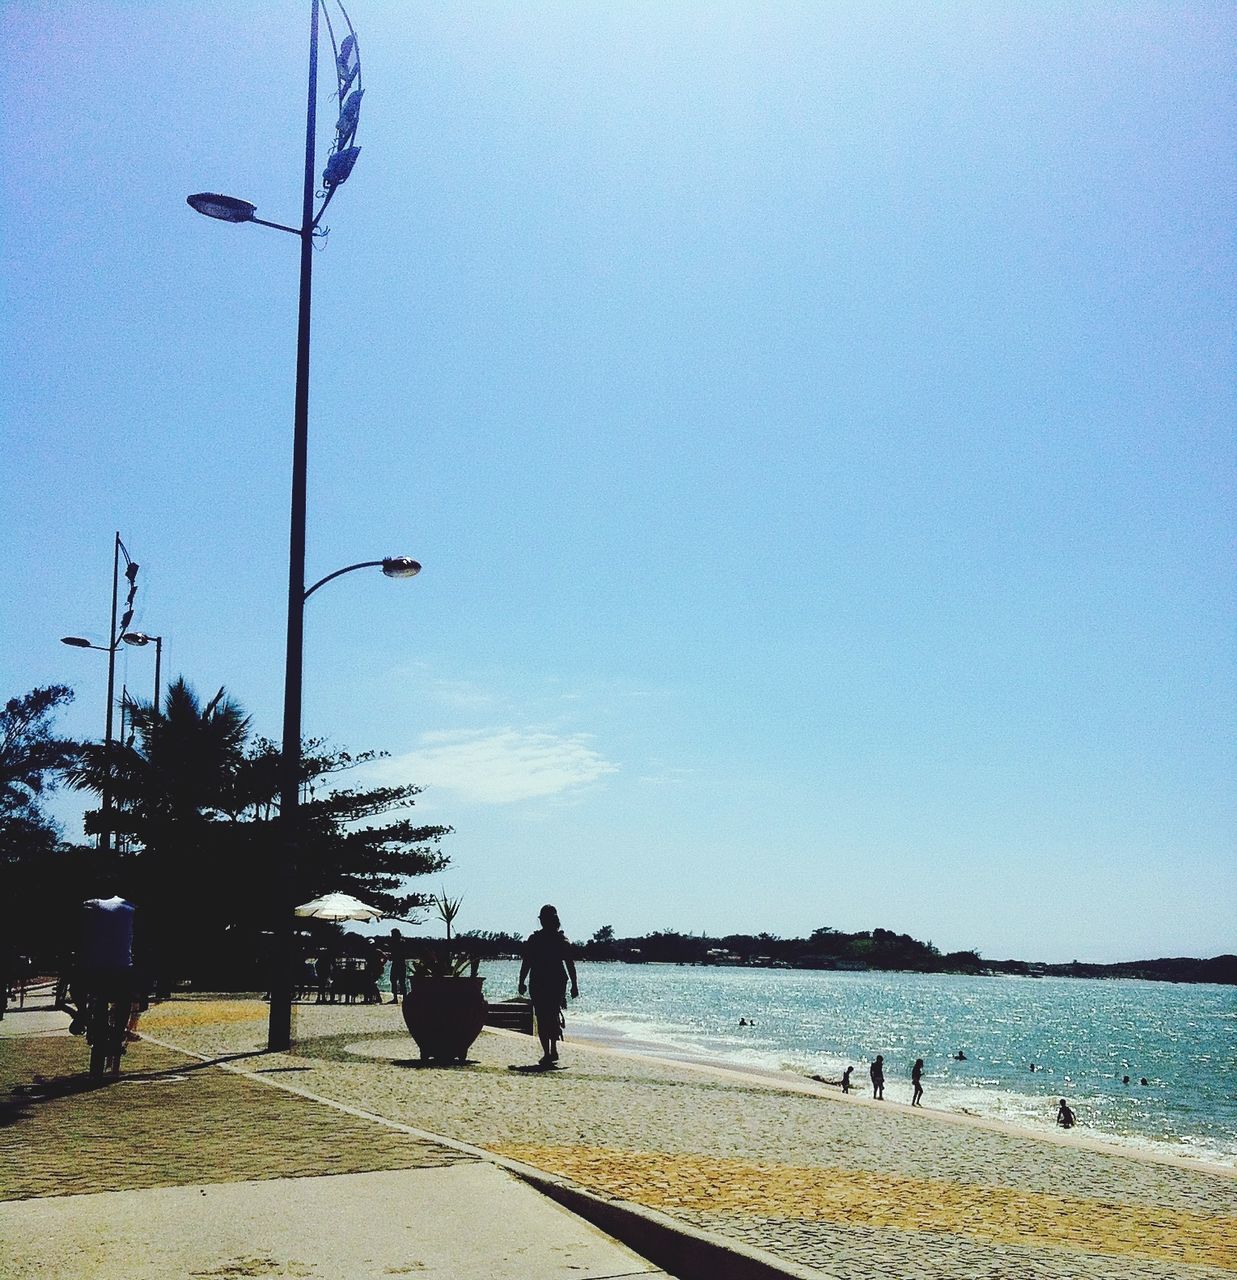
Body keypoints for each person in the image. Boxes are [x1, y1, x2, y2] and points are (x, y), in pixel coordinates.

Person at [518, 904, 579, 1068]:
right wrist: (574, 985)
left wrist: (521, 981)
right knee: (551, 1015)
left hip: (542, 981)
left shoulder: (537, 940)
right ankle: (551, 1049)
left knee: (544, 1017)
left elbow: (527, 963)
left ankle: (548, 1051)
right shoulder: (560, 940)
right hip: (554, 981)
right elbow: (569, 964)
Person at [388, 928, 408, 1005]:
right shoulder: (402, 942)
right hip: (400, 963)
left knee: (397, 981)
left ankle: (396, 998)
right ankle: (403, 998)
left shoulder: (396, 943)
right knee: (399, 981)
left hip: (397, 963)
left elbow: (395, 954)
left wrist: (391, 956)